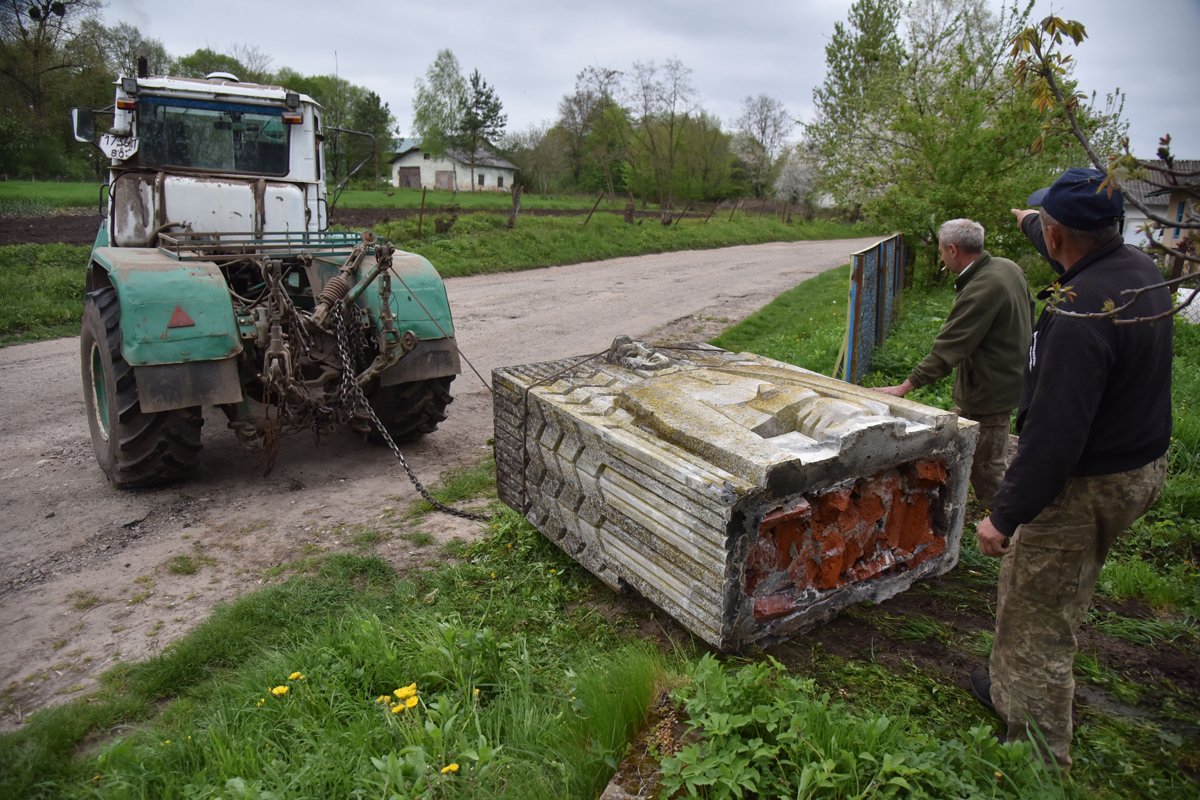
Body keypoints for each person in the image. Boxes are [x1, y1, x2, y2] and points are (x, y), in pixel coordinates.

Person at [972, 168, 1173, 770]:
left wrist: (1004, 515)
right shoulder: (1136, 272)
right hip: (1137, 464)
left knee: (1038, 612)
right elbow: (1062, 240)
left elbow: (1054, 437)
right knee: (1041, 590)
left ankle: (1036, 754)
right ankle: (1008, 690)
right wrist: (1030, 221)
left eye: (1046, 227)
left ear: (1061, 237)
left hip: (1083, 483)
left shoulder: (1078, 316)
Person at [874, 218, 1033, 508]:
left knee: (988, 470)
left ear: (953, 249)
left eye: (941, 251)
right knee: (957, 439)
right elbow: (1031, 312)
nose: (941, 259)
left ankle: (1005, 524)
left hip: (990, 391)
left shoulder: (981, 290)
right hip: (1007, 377)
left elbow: (949, 348)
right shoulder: (1007, 268)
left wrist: (904, 386)